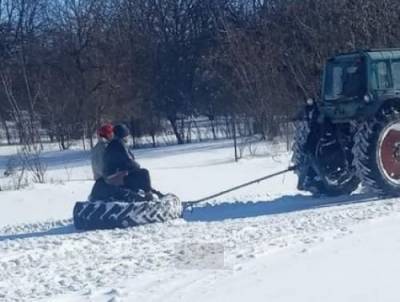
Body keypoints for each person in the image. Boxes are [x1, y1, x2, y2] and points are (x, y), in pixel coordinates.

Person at [103, 124, 157, 200]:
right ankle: (149, 197)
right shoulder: (119, 144)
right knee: (144, 173)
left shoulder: (112, 144)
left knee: (136, 175)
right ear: (123, 134)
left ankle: (137, 195)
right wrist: (137, 166)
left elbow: (120, 162)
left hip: (112, 176)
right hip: (116, 177)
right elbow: (128, 161)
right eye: (127, 135)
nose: (128, 137)